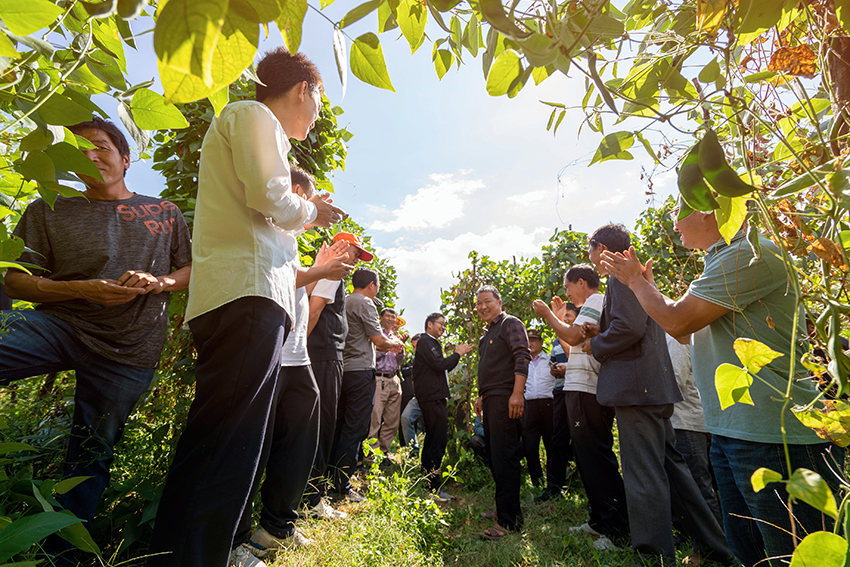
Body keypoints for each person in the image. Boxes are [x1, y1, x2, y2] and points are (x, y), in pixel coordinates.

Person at [147, 49, 348, 567]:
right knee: (226, 439)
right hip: (245, 294)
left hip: (252, 297)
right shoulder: (252, 115)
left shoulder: (252, 126)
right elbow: (269, 195)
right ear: (305, 89)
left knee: (234, 438)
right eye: (320, 100)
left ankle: (208, 549)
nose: (318, 114)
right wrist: (314, 211)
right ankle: (189, 556)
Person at [600, 209, 845, 567]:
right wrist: (646, 288)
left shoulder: (751, 253)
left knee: (791, 557)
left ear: (707, 211)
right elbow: (683, 331)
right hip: (734, 429)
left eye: (679, 213)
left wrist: (638, 284)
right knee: (749, 554)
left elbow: (677, 319)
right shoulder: (719, 260)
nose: (674, 224)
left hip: (772, 434)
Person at [0, 117, 192, 565]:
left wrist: (159, 281)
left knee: (90, 457)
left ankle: (62, 558)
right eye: (78, 149)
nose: (90, 156)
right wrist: (83, 288)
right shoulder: (47, 208)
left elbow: (189, 269)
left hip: (129, 348)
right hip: (60, 325)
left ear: (126, 159)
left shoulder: (164, 212)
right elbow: (14, 282)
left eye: (101, 147)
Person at [583, 223, 733, 566]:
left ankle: (652, 556)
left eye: (591, 250)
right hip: (651, 388)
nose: (590, 259)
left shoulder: (620, 276)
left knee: (643, 475)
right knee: (673, 471)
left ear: (601, 247)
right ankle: (714, 547)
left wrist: (597, 344)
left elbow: (630, 327)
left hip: (636, 391)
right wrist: (604, 330)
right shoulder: (632, 276)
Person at [234, 168, 354, 565]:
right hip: (270, 352)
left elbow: (295, 286)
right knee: (253, 445)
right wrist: (322, 271)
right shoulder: (264, 223)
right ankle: (233, 543)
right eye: (315, 197)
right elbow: (275, 277)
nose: (320, 207)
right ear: (298, 193)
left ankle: (276, 526)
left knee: (300, 443)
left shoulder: (292, 238)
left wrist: (318, 266)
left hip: (295, 354)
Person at [533, 265, 629, 551]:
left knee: (598, 458)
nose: (567, 293)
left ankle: (618, 530)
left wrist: (549, 315)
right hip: (578, 386)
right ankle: (598, 520)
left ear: (581, 282)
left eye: (568, 287)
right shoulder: (588, 306)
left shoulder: (595, 301)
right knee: (587, 459)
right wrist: (560, 318)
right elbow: (572, 342)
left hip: (589, 389)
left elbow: (574, 338)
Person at [329, 268, 403, 501]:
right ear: (373, 284)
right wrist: (395, 343)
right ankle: (342, 485)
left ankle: (328, 478)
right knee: (356, 427)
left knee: (339, 425)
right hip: (361, 371)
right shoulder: (366, 302)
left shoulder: (343, 299)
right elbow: (379, 342)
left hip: (342, 370)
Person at [473, 286, 531, 540]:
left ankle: (508, 523)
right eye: (478, 304)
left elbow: (522, 356)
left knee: (506, 459)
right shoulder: (487, 333)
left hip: (507, 399)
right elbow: (490, 368)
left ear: (499, 301)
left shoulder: (510, 323)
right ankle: (504, 510)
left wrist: (517, 394)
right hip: (491, 400)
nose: (482, 307)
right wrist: (481, 395)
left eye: (487, 301)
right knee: (496, 456)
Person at [413, 312, 473, 501]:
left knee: (432, 438)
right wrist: (458, 353)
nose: (443, 327)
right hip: (431, 397)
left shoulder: (431, 343)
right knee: (438, 440)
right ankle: (434, 486)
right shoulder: (425, 341)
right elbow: (441, 365)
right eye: (441, 323)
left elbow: (440, 366)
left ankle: (427, 480)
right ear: (429, 324)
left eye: (445, 325)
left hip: (434, 396)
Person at [665, 334, 722, 526]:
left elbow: (675, 381)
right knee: (683, 485)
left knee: (697, 485)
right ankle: (688, 532)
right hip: (676, 422)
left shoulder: (674, 339)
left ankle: (715, 540)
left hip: (686, 422)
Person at [537, 302, 579, 503]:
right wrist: (555, 371)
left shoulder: (579, 336)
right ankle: (554, 487)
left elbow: (583, 364)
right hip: (560, 393)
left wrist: (567, 370)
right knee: (558, 439)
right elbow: (554, 365)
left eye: (568, 315)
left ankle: (586, 483)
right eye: (563, 315)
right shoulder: (555, 341)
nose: (565, 318)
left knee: (582, 439)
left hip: (577, 392)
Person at [368, 308, 406, 462]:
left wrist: (400, 351)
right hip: (379, 379)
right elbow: (373, 356)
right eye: (388, 316)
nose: (391, 319)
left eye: (393, 316)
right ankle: (371, 457)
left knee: (392, 420)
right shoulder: (377, 335)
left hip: (394, 379)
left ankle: (383, 452)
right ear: (381, 317)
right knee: (375, 418)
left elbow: (399, 361)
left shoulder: (395, 337)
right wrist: (388, 348)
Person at [521, 328, 555, 489]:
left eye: (534, 340)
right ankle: (536, 481)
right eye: (528, 340)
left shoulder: (550, 360)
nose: (531, 343)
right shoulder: (521, 363)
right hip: (529, 408)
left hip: (549, 406)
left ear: (541, 342)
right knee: (530, 445)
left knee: (551, 445)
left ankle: (553, 482)